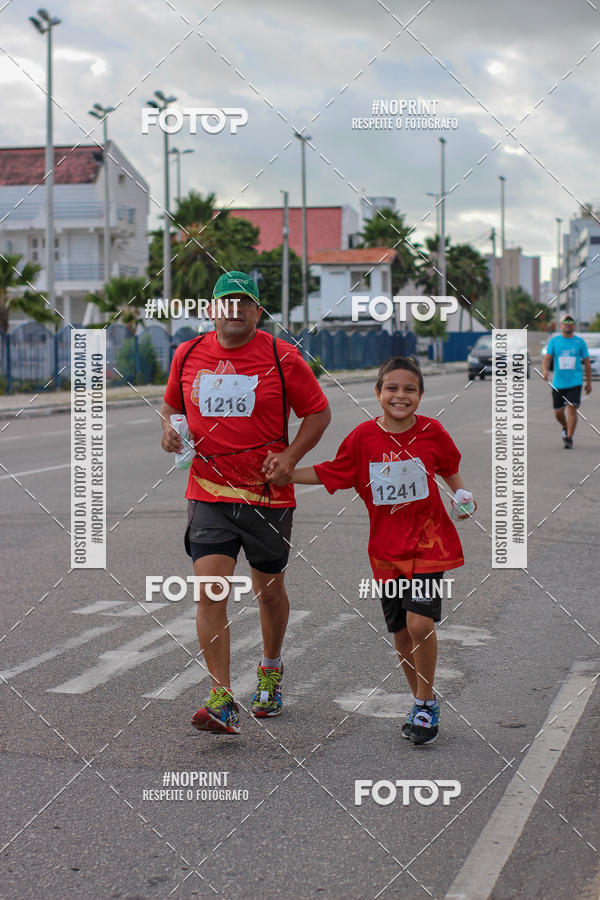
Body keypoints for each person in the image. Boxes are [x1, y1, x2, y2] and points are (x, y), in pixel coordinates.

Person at [264, 357, 476, 745]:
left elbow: (448, 466)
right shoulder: (363, 438)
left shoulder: (433, 431)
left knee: (420, 624)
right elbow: (333, 471)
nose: (400, 396)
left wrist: (461, 494)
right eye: (392, 388)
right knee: (399, 634)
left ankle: (426, 703)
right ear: (378, 393)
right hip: (385, 552)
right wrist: (289, 471)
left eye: (410, 389)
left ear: (421, 395)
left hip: (429, 544)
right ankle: (419, 698)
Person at [160, 271, 330, 734]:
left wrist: (291, 456)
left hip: (267, 496)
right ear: (212, 309)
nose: (233, 309)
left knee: (269, 591)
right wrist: (170, 431)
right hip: (208, 493)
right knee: (210, 590)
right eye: (225, 301)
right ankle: (221, 696)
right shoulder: (188, 353)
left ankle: (271, 670)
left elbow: (319, 412)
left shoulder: (282, 356)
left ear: (258, 312)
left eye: (244, 302)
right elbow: (172, 405)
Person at [542, 314, 591, 449]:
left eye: (571, 322)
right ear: (561, 325)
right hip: (558, 383)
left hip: (575, 382)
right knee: (558, 413)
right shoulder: (555, 341)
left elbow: (587, 363)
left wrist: (589, 383)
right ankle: (565, 426)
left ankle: (569, 438)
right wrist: (545, 370)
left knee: (572, 410)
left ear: (573, 325)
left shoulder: (579, 342)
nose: (568, 324)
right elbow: (547, 358)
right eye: (565, 322)